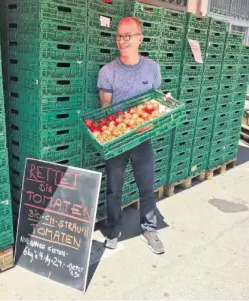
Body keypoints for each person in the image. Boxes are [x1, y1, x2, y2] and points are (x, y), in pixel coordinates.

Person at [97, 17, 164, 254]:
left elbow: (155, 103)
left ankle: (149, 228)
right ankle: (114, 230)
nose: (122, 41)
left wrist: (153, 117)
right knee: (114, 188)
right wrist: (116, 128)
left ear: (139, 38)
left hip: (143, 137)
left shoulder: (152, 68)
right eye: (119, 36)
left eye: (128, 36)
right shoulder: (108, 72)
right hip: (117, 140)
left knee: (146, 186)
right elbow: (105, 108)